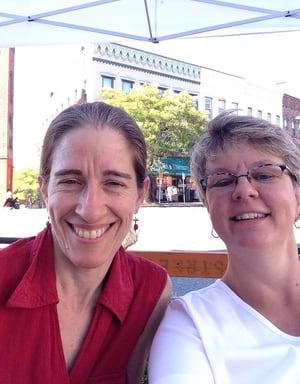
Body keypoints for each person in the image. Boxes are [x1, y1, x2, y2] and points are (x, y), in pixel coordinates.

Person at [0, 102, 171, 383]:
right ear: (44, 189)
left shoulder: (150, 291)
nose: (90, 210)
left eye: (114, 183)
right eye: (70, 180)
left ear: (141, 193)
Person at [149, 112, 300, 383]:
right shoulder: (191, 325)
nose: (244, 190)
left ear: (297, 197)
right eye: (223, 180)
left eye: (264, 174)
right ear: (208, 207)